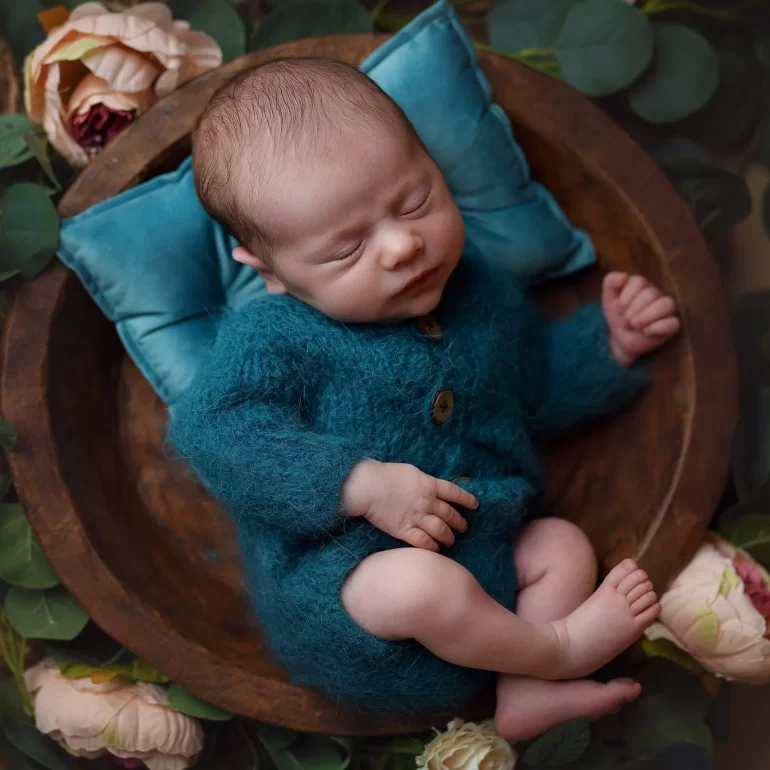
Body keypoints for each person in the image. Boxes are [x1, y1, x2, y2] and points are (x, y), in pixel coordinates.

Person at [170, 58, 680, 739]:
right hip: (350, 604)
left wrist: (609, 344)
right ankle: (557, 651)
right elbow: (214, 430)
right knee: (416, 585)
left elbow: (532, 388)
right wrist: (358, 484)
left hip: (489, 576)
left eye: (415, 202)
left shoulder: (478, 290)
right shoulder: (276, 336)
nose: (402, 246)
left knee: (561, 544)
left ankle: (527, 692)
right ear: (271, 272)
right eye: (347, 249)